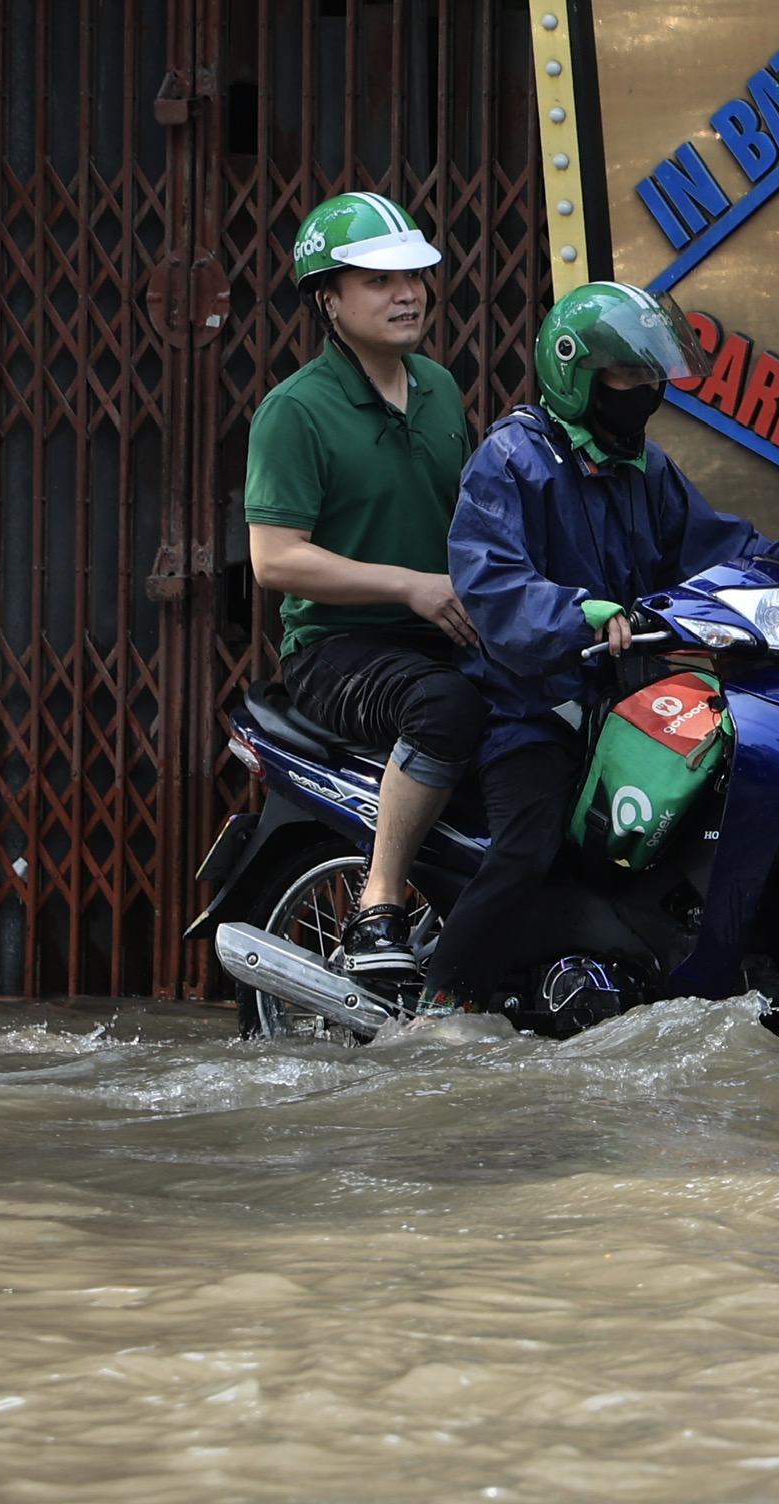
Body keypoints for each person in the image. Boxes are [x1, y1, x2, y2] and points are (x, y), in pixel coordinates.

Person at [420, 281, 779, 1017]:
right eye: (630, 376)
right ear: (575, 373)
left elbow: (721, 547)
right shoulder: (511, 460)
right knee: (527, 847)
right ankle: (443, 1001)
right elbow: (493, 585)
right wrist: (578, 613)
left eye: (653, 376)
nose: (647, 391)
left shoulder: (645, 467)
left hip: (626, 696)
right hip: (529, 705)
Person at [243, 191, 487, 979]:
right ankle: (379, 904)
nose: (407, 291)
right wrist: (409, 586)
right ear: (328, 300)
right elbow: (275, 560)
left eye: (414, 273)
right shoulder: (296, 411)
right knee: (445, 706)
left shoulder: (441, 390)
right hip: (337, 649)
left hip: (442, 635)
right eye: (379, 279)